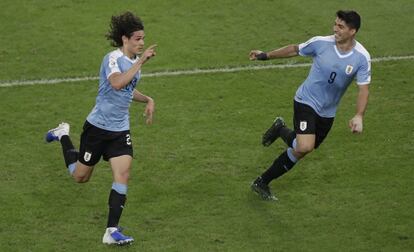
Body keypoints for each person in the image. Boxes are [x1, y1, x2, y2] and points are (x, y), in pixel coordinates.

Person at [45, 11, 156, 245]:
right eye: (137, 38)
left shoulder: (134, 63)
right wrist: (142, 61)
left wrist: (147, 99)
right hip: (97, 128)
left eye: (143, 38)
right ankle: (63, 134)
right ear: (125, 39)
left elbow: (127, 89)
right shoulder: (112, 59)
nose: (142, 42)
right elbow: (117, 83)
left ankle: (111, 231)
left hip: (120, 131)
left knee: (123, 174)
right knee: (80, 177)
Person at [249, 10, 371, 200]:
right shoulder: (321, 43)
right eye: (335, 24)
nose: (335, 29)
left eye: (341, 26)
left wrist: (359, 115)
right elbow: (294, 49)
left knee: (301, 150)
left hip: (328, 112)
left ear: (353, 31)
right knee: (305, 146)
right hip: (306, 101)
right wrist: (265, 55)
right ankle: (263, 175)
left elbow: (364, 89)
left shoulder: (361, 57)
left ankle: (275, 143)